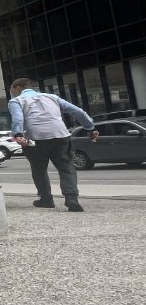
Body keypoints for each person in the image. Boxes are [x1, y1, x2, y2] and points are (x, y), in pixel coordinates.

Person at [8, 77, 97, 211]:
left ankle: (46, 199)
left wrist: (18, 134)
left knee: (39, 170)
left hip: (35, 139)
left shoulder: (16, 101)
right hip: (60, 135)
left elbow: (18, 118)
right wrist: (90, 128)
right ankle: (71, 198)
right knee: (67, 168)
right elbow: (77, 111)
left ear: (18, 87)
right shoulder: (52, 97)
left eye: (12, 90)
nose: (12, 93)